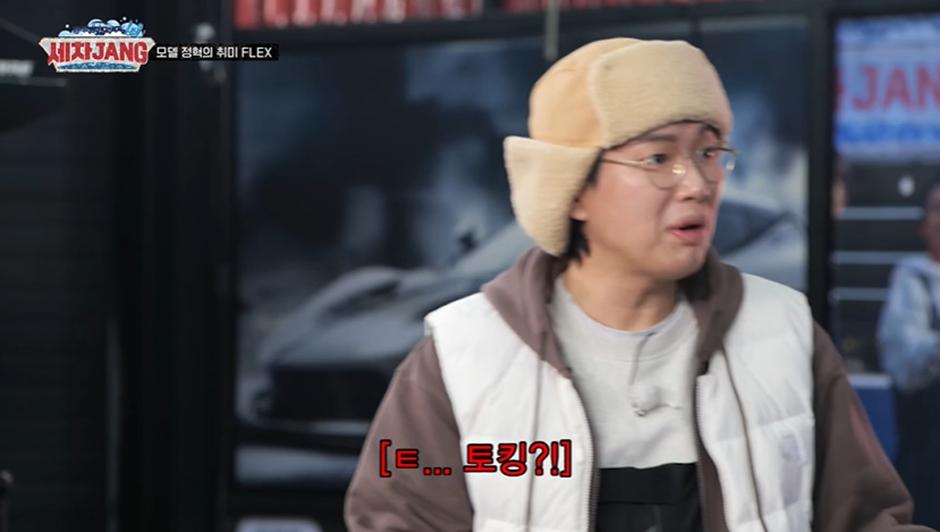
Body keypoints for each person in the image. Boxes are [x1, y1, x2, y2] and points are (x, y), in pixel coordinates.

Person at [344, 38, 929, 532]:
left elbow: (866, 520)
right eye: (657, 158)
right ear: (574, 191)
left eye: (708, 152)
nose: (697, 183)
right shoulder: (461, 356)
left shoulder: (785, 333)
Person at [878, 183, 940, 528]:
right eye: (937, 209)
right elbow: (906, 365)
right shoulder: (912, 279)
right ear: (923, 224)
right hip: (927, 461)